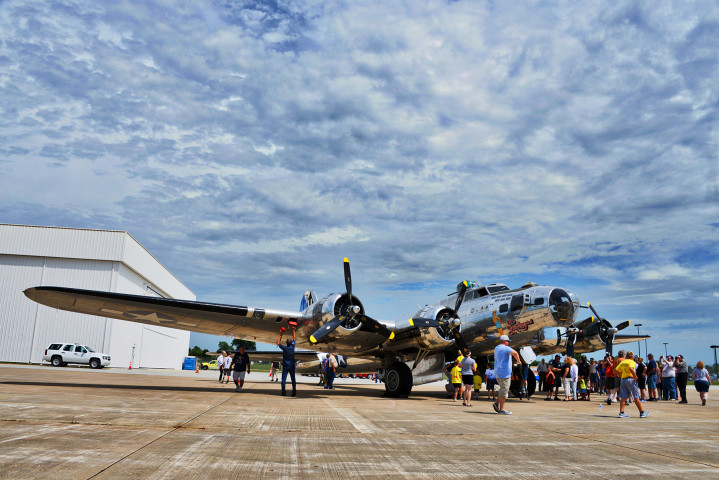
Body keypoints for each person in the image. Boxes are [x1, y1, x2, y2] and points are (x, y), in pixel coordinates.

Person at [616, 351, 649, 418]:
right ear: (632, 357)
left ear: (626, 356)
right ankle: (641, 412)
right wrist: (635, 376)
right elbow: (631, 369)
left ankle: (621, 412)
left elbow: (617, 370)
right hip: (630, 379)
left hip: (623, 379)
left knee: (624, 397)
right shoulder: (631, 362)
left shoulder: (623, 362)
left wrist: (621, 375)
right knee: (636, 396)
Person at [492, 335, 521, 415]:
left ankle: (496, 403)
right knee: (504, 391)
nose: (508, 343)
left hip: (498, 373)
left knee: (502, 389)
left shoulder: (497, 348)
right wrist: (518, 361)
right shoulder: (506, 348)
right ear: (504, 341)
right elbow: (515, 353)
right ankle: (501, 410)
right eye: (507, 341)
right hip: (504, 373)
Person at [277, 325, 297, 397]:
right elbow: (294, 338)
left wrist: (281, 335)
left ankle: (283, 392)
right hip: (292, 366)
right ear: (291, 343)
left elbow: (278, 343)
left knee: (283, 380)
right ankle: (294, 391)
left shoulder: (285, 348)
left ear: (286, 343)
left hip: (285, 366)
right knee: (293, 379)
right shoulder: (292, 347)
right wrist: (293, 330)